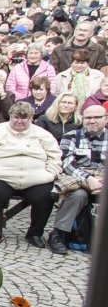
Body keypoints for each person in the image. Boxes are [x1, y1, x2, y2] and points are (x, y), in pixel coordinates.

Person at [0, 102, 63, 247]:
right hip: (1, 176)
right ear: (10, 116)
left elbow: (55, 157)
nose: (19, 121)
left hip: (37, 178)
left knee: (46, 196)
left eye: (24, 118)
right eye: (15, 117)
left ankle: (35, 233)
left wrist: (50, 173)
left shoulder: (43, 135)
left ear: (31, 118)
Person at [49, 105, 106, 254]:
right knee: (77, 196)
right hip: (79, 181)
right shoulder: (72, 136)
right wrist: (89, 179)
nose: (92, 121)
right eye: (88, 117)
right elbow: (67, 163)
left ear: (106, 119)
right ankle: (58, 234)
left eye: (97, 117)